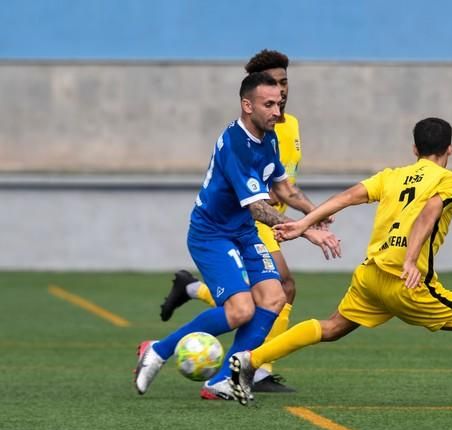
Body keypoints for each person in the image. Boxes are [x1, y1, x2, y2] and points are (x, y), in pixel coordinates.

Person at [228, 117, 452, 408]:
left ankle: (251, 359)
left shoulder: (392, 176)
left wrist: (302, 224)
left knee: (333, 326)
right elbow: (429, 213)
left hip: (371, 275)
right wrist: (410, 259)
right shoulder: (450, 181)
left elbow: (349, 196)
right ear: (450, 149)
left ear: (415, 149)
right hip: (406, 283)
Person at [134, 72, 340, 399]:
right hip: (211, 234)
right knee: (241, 310)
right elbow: (259, 209)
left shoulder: (267, 138)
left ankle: (221, 380)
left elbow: (284, 188)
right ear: (247, 105)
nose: (277, 111)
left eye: (280, 103)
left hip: (242, 232)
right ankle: (159, 350)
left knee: (275, 296)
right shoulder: (236, 144)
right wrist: (307, 230)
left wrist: (315, 213)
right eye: (269, 104)